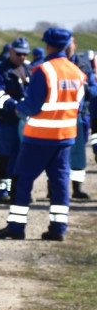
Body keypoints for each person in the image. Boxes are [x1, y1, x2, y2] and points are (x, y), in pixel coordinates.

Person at [0, 28, 86, 242]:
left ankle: (16, 227)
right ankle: (58, 228)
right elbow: (78, 106)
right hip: (65, 138)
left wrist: (18, 108)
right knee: (60, 182)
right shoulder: (77, 73)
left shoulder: (43, 71)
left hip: (38, 138)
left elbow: (31, 107)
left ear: (48, 45)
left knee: (22, 181)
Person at [0, 36, 31, 204]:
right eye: (19, 53)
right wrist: (13, 105)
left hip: (24, 120)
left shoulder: (29, 69)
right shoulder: (0, 70)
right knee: (3, 156)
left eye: (25, 54)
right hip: (6, 120)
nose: (22, 57)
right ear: (11, 51)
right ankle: (0, 193)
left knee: (21, 156)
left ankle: (16, 190)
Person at [69, 38, 97, 199]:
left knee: (79, 154)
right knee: (57, 155)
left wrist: (84, 87)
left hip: (80, 115)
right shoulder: (53, 65)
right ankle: (51, 188)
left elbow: (93, 88)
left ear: (75, 45)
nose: (67, 47)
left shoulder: (84, 64)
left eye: (70, 43)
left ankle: (77, 188)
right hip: (60, 117)